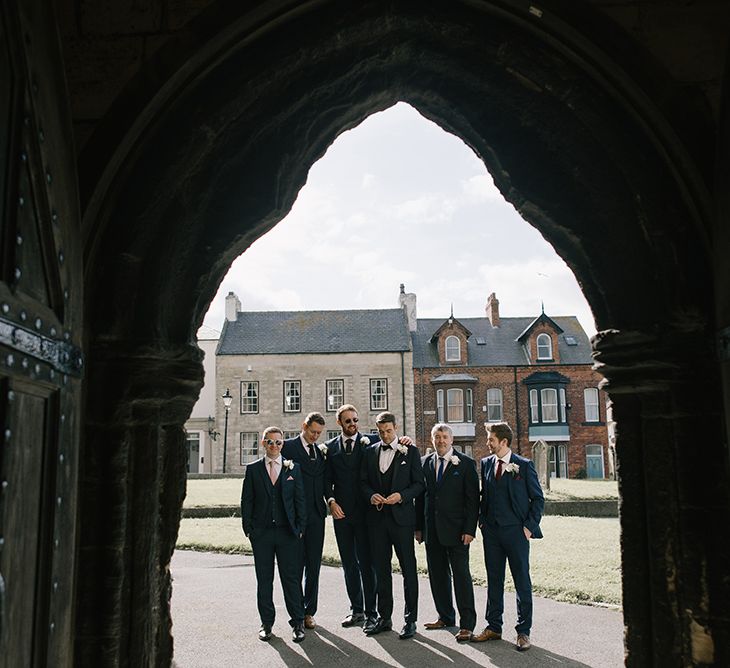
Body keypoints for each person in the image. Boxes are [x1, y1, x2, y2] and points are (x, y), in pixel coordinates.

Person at [471, 421, 544, 652]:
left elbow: (538, 499)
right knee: (494, 580)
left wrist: (528, 528)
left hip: (516, 533)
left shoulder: (523, 465)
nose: (487, 443)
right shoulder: (486, 463)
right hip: (491, 532)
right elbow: (486, 495)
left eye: (491, 439)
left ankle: (523, 632)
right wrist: (482, 521)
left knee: (521, 580)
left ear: (503, 442)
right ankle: (493, 626)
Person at [360, 411, 425, 640]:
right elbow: (363, 482)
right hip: (377, 521)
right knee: (381, 570)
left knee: (408, 569)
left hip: (402, 521)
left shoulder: (411, 451)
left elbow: (419, 484)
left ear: (396, 428)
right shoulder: (369, 452)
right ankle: (385, 617)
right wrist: (371, 495)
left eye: (388, 431)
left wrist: (402, 496)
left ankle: (410, 620)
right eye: (381, 431)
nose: (385, 435)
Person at [241, 427, 307, 643]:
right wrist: (249, 529)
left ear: (282, 445)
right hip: (261, 534)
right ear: (263, 443)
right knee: (264, 580)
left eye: (278, 442)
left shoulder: (293, 469)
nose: (274, 446)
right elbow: (247, 501)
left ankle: (297, 622)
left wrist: (299, 529)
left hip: (288, 533)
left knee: (291, 579)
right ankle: (266, 623)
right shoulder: (253, 469)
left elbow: (300, 501)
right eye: (270, 442)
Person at [415, 423, 479, 642]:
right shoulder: (424, 463)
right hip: (431, 531)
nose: (440, 441)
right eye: (436, 437)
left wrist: (469, 529)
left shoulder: (467, 464)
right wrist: (418, 528)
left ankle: (467, 624)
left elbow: (473, 502)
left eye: (444, 437)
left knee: (461, 577)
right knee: (438, 576)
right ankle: (445, 616)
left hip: (458, 532)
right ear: (431, 440)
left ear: (451, 440)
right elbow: (419, 498)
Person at [324, 404, 379, 632]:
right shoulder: (329, 448)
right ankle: (356, 609)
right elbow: (326, 481)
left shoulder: (372, 442)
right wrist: (331, 501)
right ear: (339, 423)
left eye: (355, 420)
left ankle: (371, 613)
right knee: (349, 564)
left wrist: (404, 441)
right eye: (348, 421)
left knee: (367, 564)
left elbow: (392, 445)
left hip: (366, 514)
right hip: (342, 515)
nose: (353, 424)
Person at [281, 412, 327, 629]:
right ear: (304, 426)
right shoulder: (288, 448)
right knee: (295, 566)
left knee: (314, 566)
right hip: (295, 518)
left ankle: (310, 611)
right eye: (312, 432)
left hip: (317, 516)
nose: (315, 436)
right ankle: (296, 613)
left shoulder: (320, 452)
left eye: (319, 433)